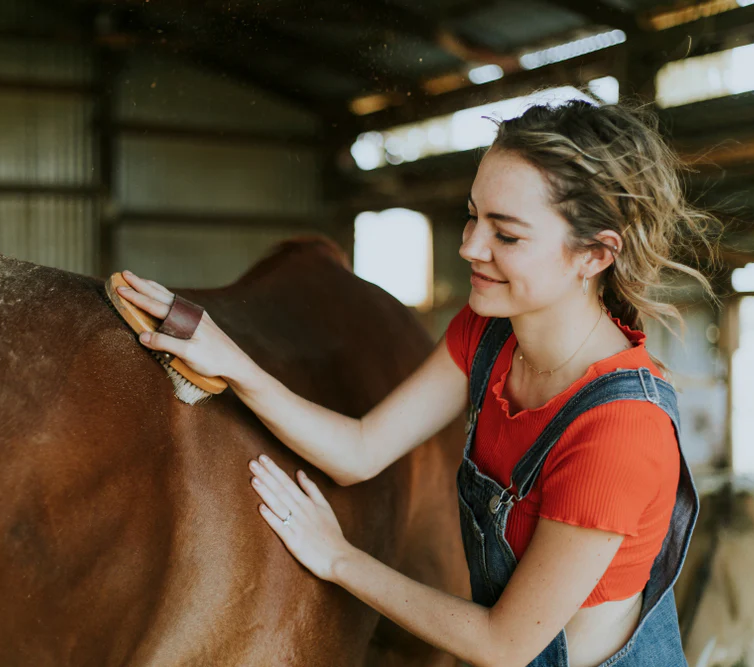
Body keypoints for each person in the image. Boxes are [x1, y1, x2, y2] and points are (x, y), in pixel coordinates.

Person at [114, 98, 720, 667]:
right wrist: (232, 361)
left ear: (595, 254)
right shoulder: (489, 336)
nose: (470, 247)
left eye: (506, 235)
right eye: (472, 217)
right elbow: (359, 450)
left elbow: (503, 643)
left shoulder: (620, 431)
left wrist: (339, 559)